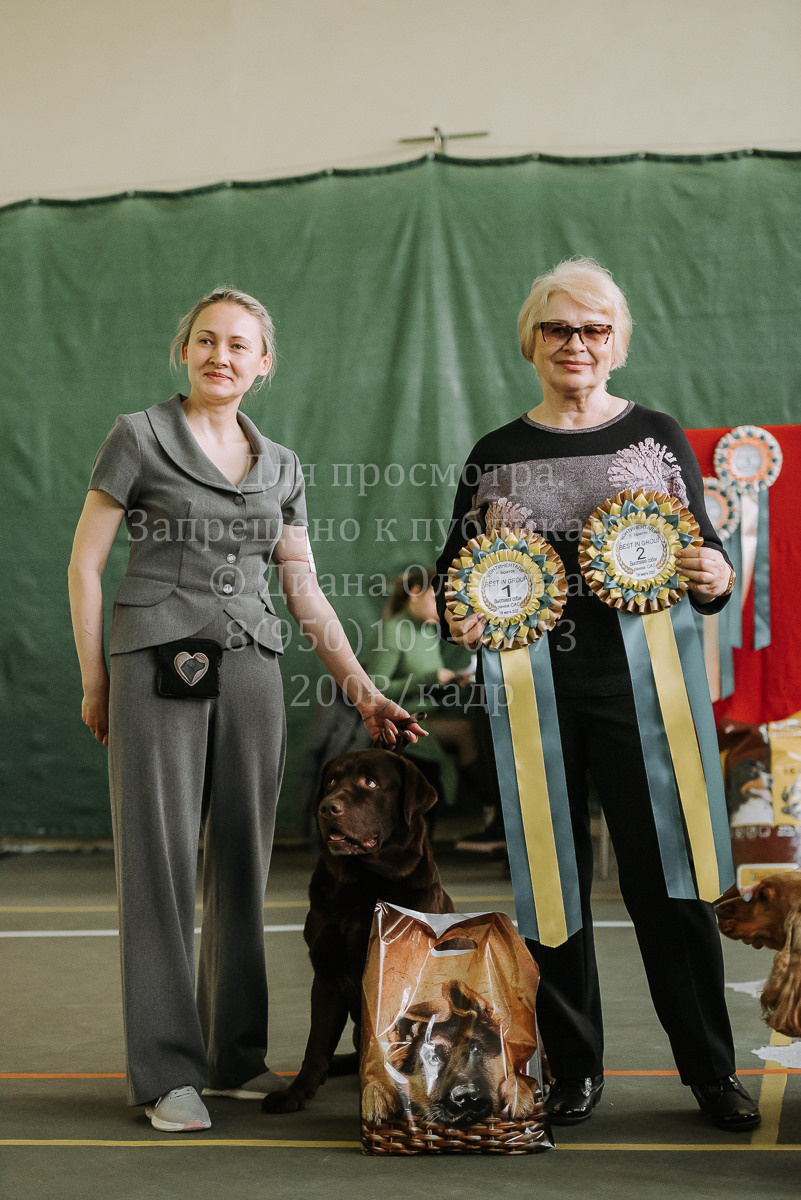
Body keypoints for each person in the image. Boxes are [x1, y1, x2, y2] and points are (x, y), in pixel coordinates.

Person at [68, 286, 422, 1133]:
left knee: (242, 859)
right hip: (151, 662)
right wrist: (94, 680)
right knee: (156, 866)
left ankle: (232, 1055)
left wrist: (362, 690)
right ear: (181, 351)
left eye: (238, 345)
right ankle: (164, 1075)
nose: (219, 355)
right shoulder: (137, 436)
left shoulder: (284, 465)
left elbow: (303, 590)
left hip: (253, 671)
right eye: (204, 340)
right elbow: (85, 566)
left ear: (263, 364)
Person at [435, 258, 760, 1131]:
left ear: (615, 342)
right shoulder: (495, 454)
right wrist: (460, 619)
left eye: (592, 330)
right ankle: (575, 1069)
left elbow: (702, 562)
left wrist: (716, 576)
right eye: (557, 329)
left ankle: (708, 1071)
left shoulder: (653, 435)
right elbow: (453, 576)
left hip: (646, 695)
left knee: (674, 885)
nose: (574, 345)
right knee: (552, 887)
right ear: (531, 342)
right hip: (532, 697)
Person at [366, 568, 503, 845]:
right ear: (415, 594)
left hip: (431, 713)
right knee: (466, 733)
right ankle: (497, 808)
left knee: (482, 728)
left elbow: (429, 682)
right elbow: (375, 691)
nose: (443, 607)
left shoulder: (429, 631)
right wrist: (430, 678)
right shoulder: (393, 631)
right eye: (436, 597)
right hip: (401, 720)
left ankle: (498, 816)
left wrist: (452, 679)